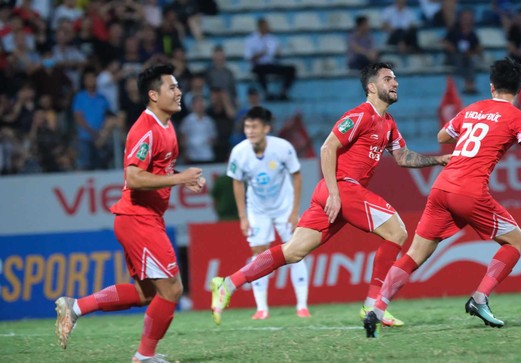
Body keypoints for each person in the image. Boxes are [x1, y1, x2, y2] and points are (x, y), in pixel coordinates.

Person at [209, 62, 451, 328]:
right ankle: (374, 306)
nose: (395, 83)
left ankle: (228, 283)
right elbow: (328, 147)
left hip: (336, 193)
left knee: (293, 252)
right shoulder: (360, 115)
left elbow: (403, 157)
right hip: (341, 188)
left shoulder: (388, 124)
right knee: (397, 232)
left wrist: (437, 160)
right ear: (371, 87)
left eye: (395, 79)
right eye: (387, 79)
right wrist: (335, 194)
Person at [363, 58, 521, 338]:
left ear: (491, 87)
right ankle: (479, 298)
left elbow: (443, 135)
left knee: (416, 253)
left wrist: (471, 132)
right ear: (520, 88)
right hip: (470, 191)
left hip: (441, 187)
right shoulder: (520, 119)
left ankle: (377, 309)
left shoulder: (473, 108)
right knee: (515, 241)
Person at [54, 63, 205, 363]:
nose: (179, 92)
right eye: (172, 87)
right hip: (138, 219)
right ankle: (143, 357)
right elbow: (133, 177)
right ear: (153, 95)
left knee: (147, 294)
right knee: (173, 290)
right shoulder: (145, 129)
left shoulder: (166, 125)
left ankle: (76, 307)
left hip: (144, 219)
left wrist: (180, 177)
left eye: (178, 86)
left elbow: (156, 168)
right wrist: (179, 178)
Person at [225, 105, 310, 319]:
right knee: (258, 255)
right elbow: (237, 183)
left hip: (284, 206)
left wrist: (294, 211)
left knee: (296, 253)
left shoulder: (283, 148)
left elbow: (296, 175)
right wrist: (243, 217)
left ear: (266, 128)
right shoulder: (239, 152)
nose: (250, 131)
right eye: (247, 127)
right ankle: (262, 308)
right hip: (257, 210)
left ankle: (302, 305)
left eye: (254, 127)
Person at [244, 17, 296, 101]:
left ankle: (283, 93)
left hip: (271, 64)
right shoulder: (250, 40)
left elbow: (275, 55)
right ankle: (266, 93)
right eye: (265, 26)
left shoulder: (272, 39)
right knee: (259, 70)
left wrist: (277, 53)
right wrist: (260, 54)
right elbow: (249, 58)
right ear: (260, 26)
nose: (267, 28)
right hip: (259, 65)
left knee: (291, 69)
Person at [443, 9, 483, 94]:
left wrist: (471, 53)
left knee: (471, 60)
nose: (467, 20)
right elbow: (446, 42)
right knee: (460, 59)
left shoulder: (473, 34)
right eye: (465, 18)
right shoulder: (453, 31)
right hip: (454, 56)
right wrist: (455, 50)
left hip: (467, 56)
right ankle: (467, 83)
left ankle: (470, 84)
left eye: (469, 18)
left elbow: (478, 48)